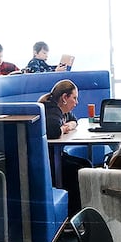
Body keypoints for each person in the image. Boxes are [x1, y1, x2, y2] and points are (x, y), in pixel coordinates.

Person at [40, 79, 88, 211]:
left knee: (85, 164)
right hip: (48, 161)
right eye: (74, 98)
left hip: (54, 156)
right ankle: (74, 213)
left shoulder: (61, 109)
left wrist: (69, 125)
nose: (77, 103)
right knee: (80, 170)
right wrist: (64, 129)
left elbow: (74, 120)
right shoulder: (51, 110)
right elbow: (53, 131)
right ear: (64, 98)